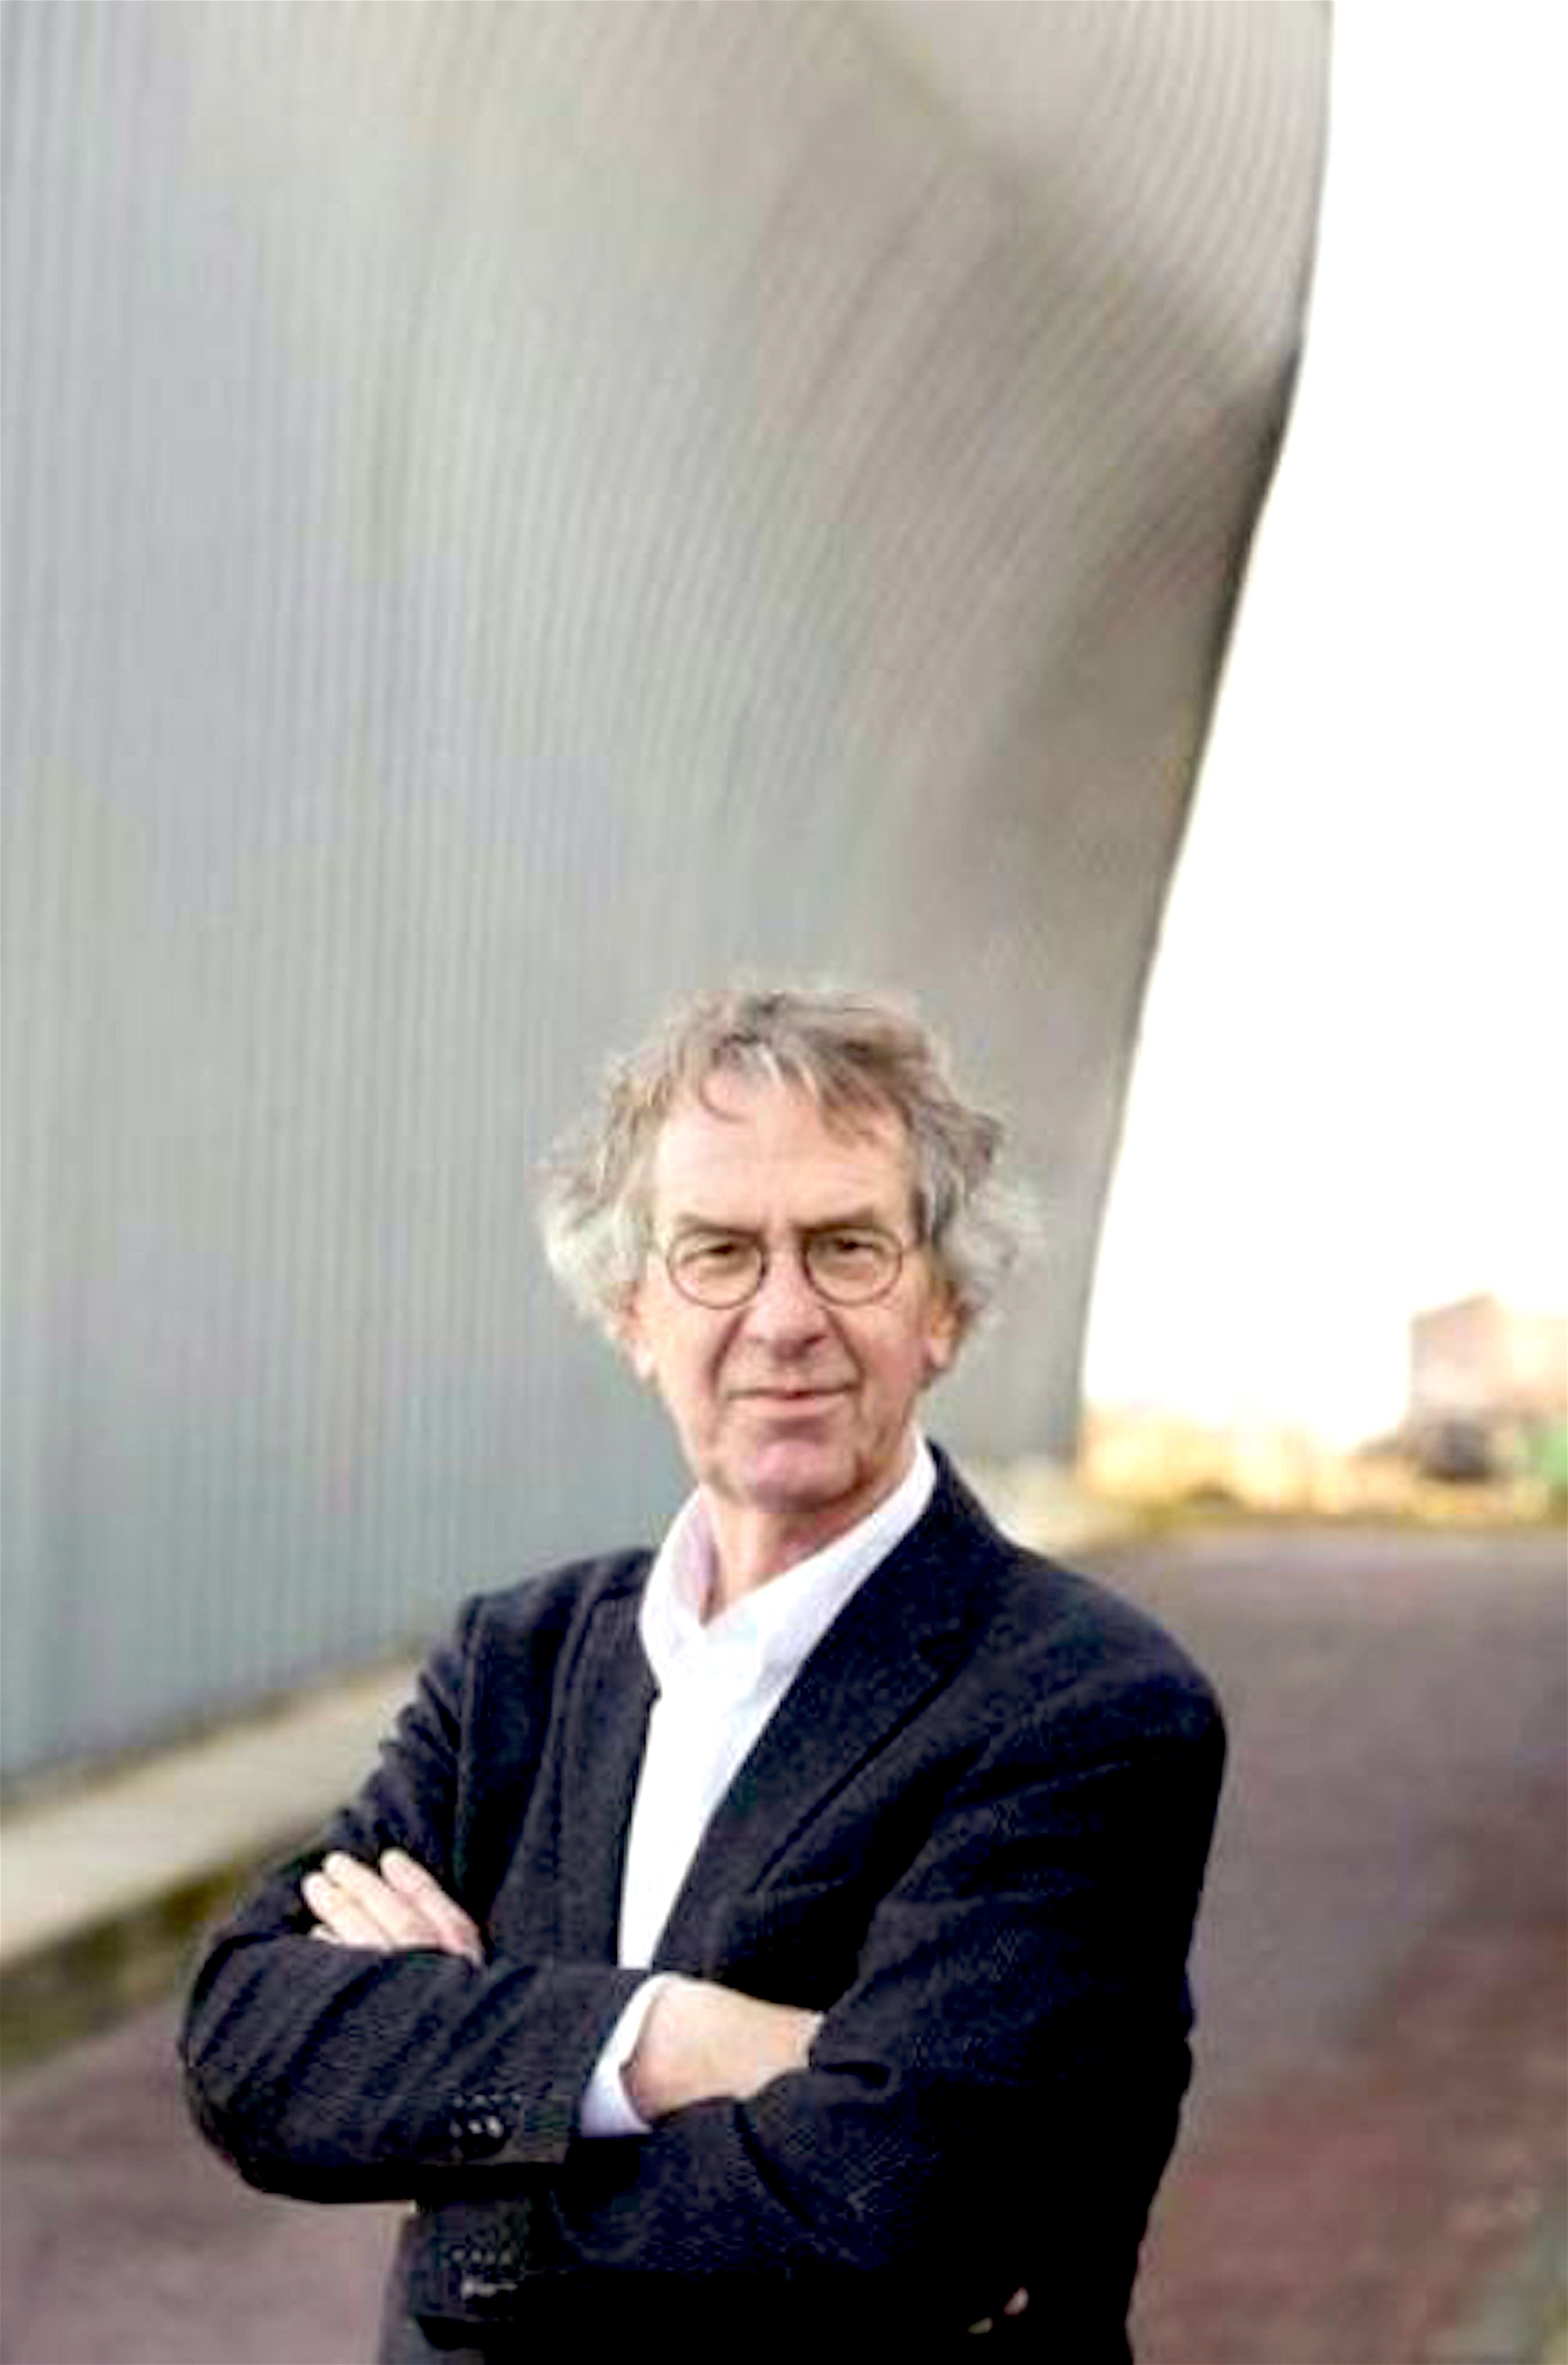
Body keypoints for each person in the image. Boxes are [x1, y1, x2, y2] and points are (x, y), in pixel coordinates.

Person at [181, 984, 1225, 2360]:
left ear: (945, 1308)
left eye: (846, 1248)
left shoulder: (1087, 1707)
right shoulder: (517, 1662)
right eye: (718, 1254)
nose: (784, 1316)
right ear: (632, 1313)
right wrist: (668, 2039)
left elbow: (897, 2210)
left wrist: (466, 2192)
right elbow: (250, 2044)